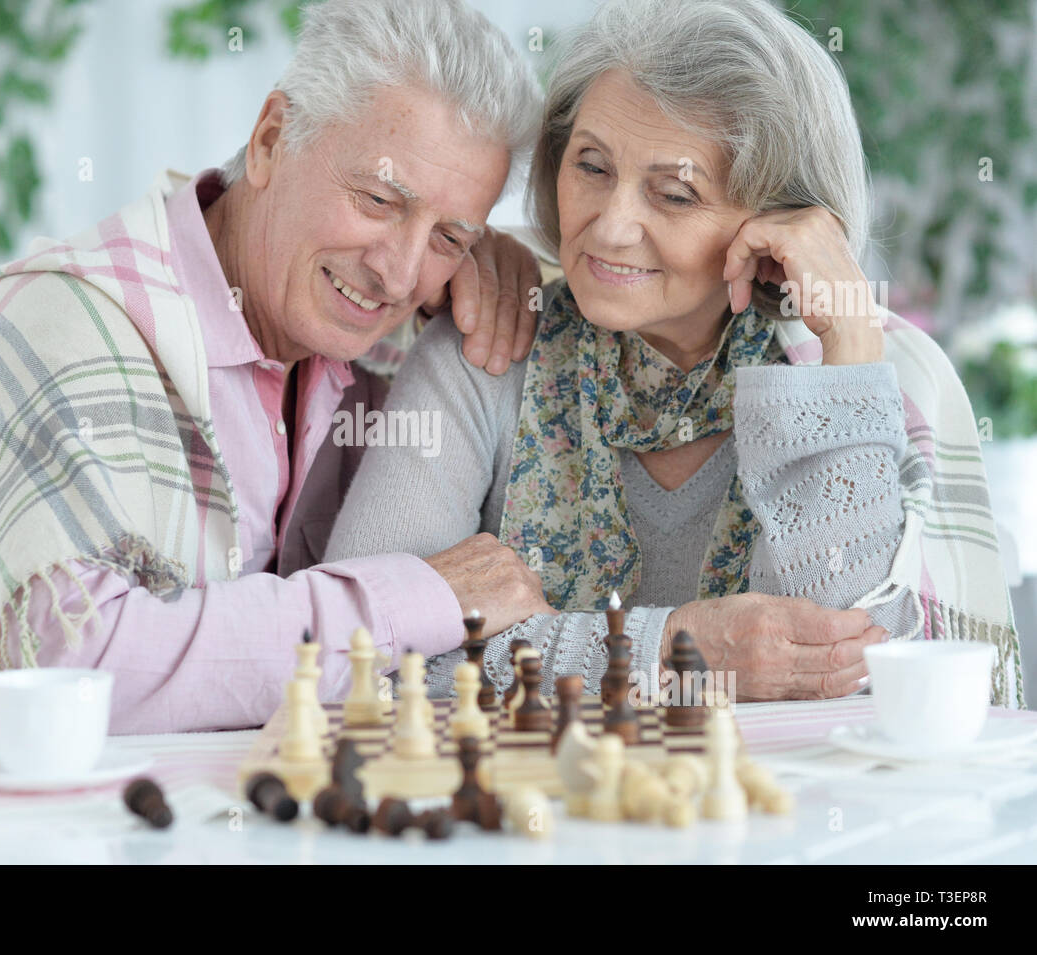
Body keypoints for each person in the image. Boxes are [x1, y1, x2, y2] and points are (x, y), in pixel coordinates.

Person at [0, 0, 554, 754]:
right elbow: (70, 663)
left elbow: (624, 302)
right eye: (378, 200)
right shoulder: (58, 324)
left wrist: (513, 263)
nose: (399, 271)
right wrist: (419, 596)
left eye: (448, 235)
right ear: (272, 139)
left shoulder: (380, 335)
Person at [327, 0, 1023, 706]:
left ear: (776, 220)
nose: (611, 226)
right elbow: (359, 653)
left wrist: (845, 347)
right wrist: (672, 651)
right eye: (592, 167)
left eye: (674, 194)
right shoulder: (488, 345)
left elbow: (851, 669)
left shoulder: (852, 377)